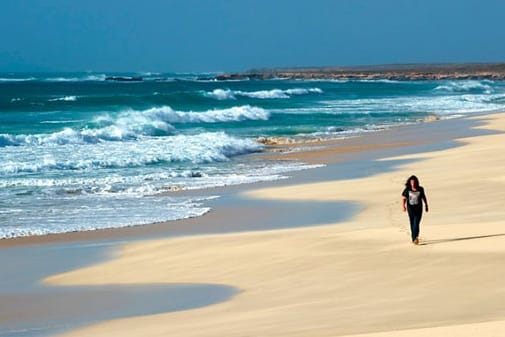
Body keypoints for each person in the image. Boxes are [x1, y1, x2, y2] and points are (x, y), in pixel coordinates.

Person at [401, 175, 428, 245]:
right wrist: (403, 206)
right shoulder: (407, 189)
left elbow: (423, 197)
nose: (413, 183)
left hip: (419, 208)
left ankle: (415, 237)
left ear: (416, 182)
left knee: (416, 223)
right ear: (409, 183)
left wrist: (426, 205)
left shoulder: (420, 189)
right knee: (412, 223)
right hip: (410, 209)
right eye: (411, 182)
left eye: (414, 182)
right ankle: (414, 238)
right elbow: (404, 198)